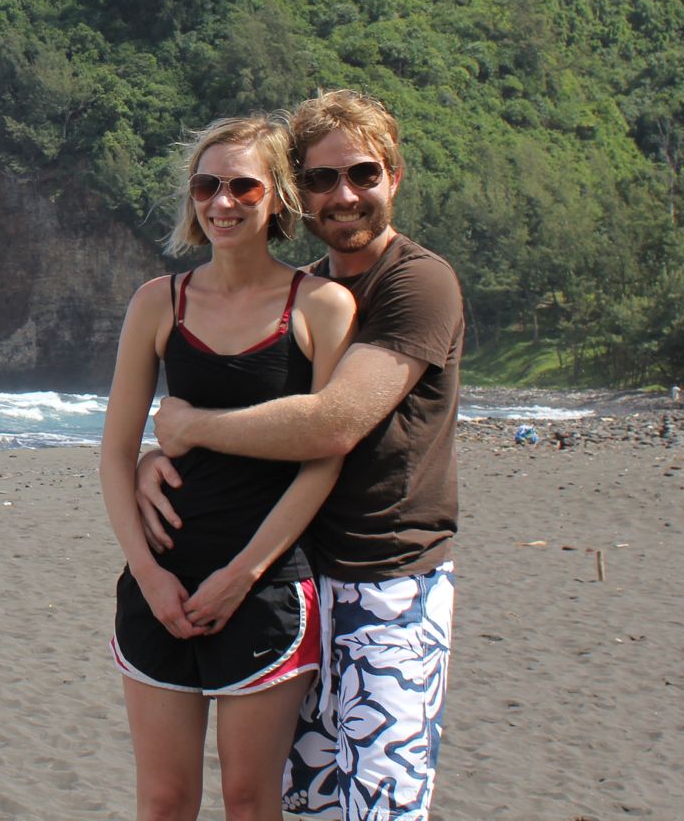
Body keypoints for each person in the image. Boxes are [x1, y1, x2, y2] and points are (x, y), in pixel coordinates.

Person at [138, 89, 465, 821]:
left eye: (363, 174)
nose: (344, 194)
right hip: (304, 583)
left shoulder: (419, 282)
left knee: (381, 805)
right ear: (301, 195)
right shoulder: (311, 291)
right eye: (321, 179)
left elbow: (331, 426)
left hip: (390, 582)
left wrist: (189, 426)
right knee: (306, 806)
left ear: (396, 178)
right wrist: (152, 460)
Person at [101, 114, 358, 820]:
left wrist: (242, 575)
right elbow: (118, 453)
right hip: (158, 587)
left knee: (250, 801)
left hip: (266, 589)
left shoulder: (322, 308)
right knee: (163, 801)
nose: (222, 202)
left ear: (276, 195)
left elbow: (323, 456)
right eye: (206, 185)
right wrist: (149, 576)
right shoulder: (160, 302)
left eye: (242, 185)